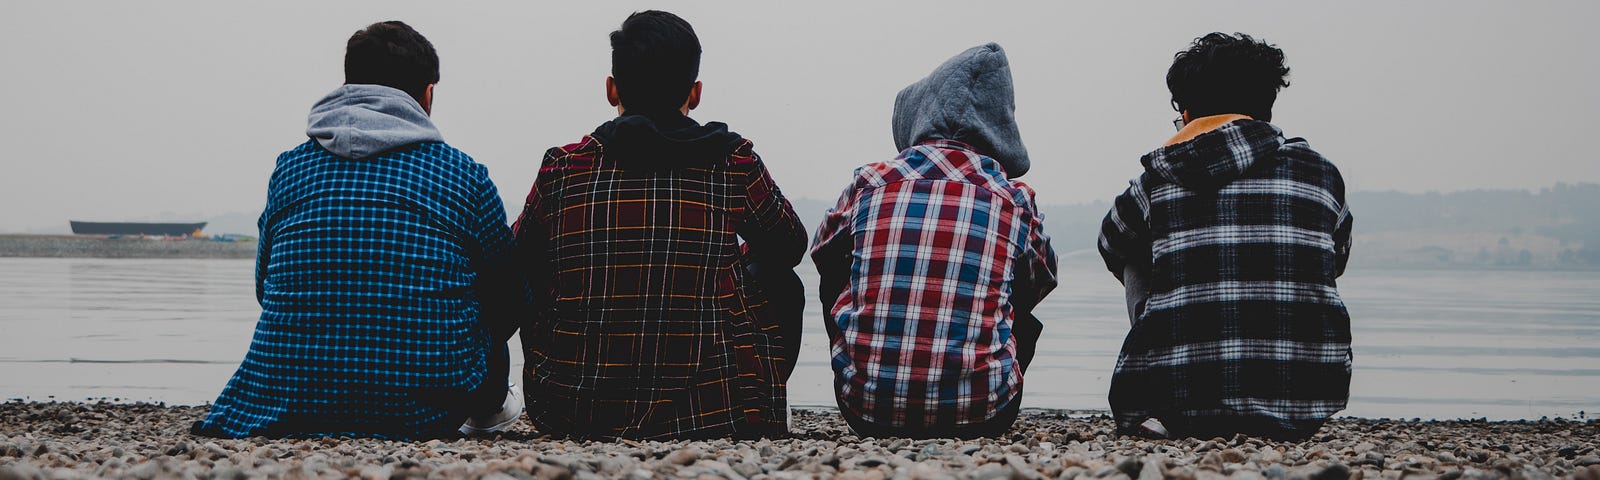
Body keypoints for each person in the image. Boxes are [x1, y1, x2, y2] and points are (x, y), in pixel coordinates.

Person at [192, 21, 526, 439]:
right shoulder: (463, 175)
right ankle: (479, 410)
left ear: (349, 86)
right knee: (489, 331)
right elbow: (509, 300)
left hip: (290, 396)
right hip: (428, 406)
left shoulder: (290, 169)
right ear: (428, 94)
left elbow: (265, 288)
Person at [514, 10, 807, 441]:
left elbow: (515, 260)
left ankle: (565, 377)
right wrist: (728, 263)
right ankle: (758, 405)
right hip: (714, 412)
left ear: (611, 89)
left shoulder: (564, 167)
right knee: (779, 277)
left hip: (569, 412)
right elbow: (790, 246)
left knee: (533, 265)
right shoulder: (731, 162)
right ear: (696, 92)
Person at [1098, 32, 1354, 441]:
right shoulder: (1321, 173)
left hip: (1182, 406)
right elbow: (1337, 258)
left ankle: (1167, 376)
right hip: (1307, 404)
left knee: (1134, 249)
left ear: (1187, 113)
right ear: (1265, 108)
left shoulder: (1157, 179)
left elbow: (1111, 243)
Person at [811, 43, 1058, 439]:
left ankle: (871, 371)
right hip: (984, 415)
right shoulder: (1014, 199)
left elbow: (822, 253)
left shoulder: (870, 181)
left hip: (864, 411)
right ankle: (975, 377)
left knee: (839, 267)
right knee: (1017, 288)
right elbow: (1041, 281)